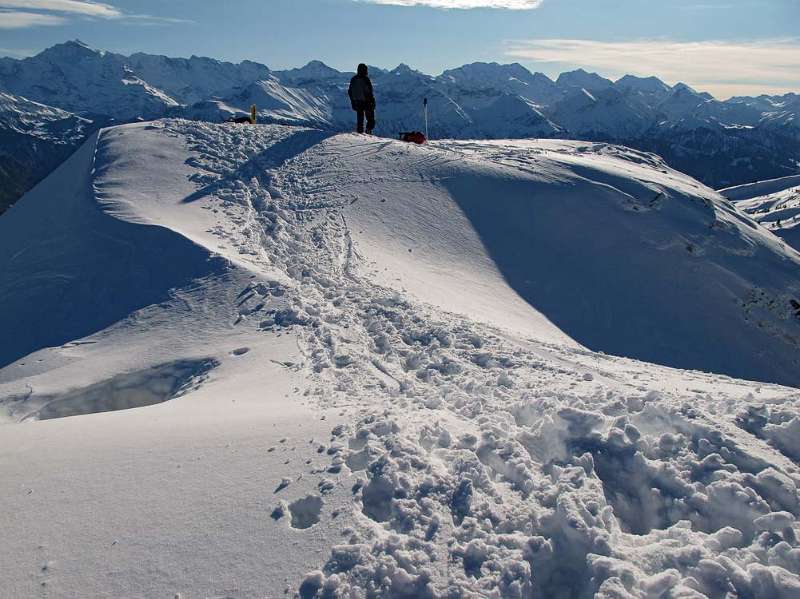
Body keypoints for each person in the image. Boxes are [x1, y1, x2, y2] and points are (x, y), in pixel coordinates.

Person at [348, 63, 376, 134]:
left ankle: (360, 132)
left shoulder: (353, 79)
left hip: (356, 101)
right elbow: (369, 91)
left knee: (360, 118)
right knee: (370, 118)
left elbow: (350, 91)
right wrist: (372, 101)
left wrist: (352, 101)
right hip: (366, 101)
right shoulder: (365, 79)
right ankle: (368, 130)